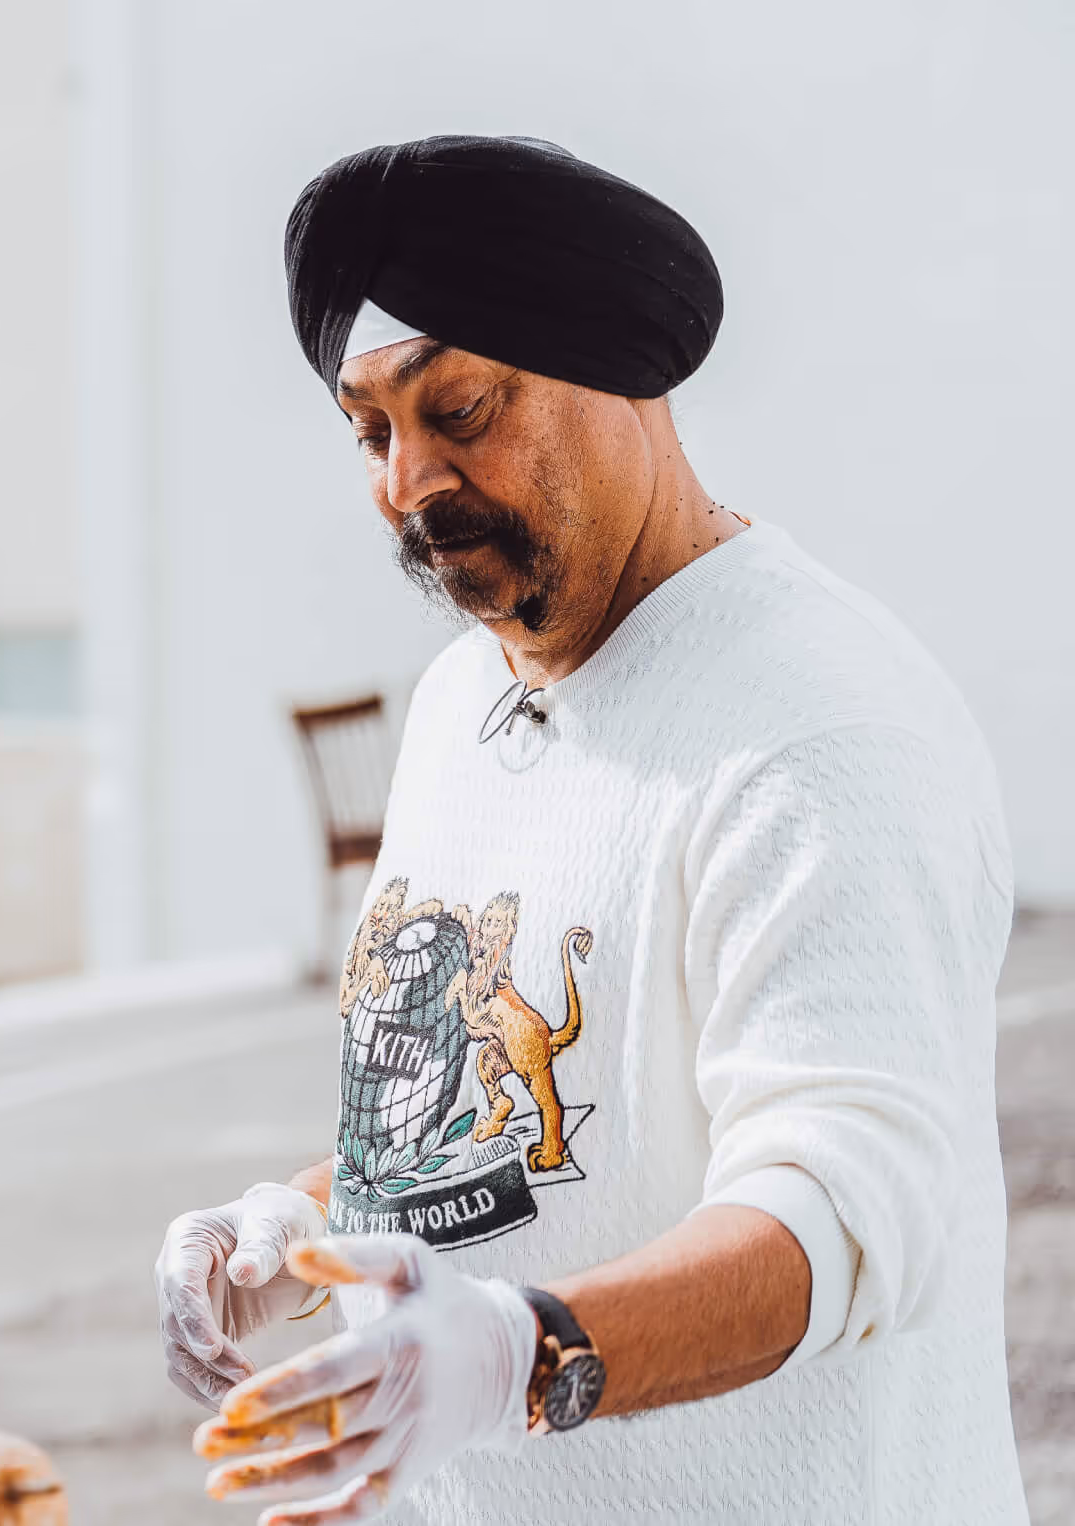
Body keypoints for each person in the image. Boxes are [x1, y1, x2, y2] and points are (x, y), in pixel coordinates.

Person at [154, 135, 1025, 1526]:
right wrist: (301, 1222)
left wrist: (525, 1353)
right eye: (369, 430)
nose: (406, 482)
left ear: (623, 369)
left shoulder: (818, 728)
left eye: (459, 408)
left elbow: (847, 1213)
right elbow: (492, 1129)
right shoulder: (457, 702)